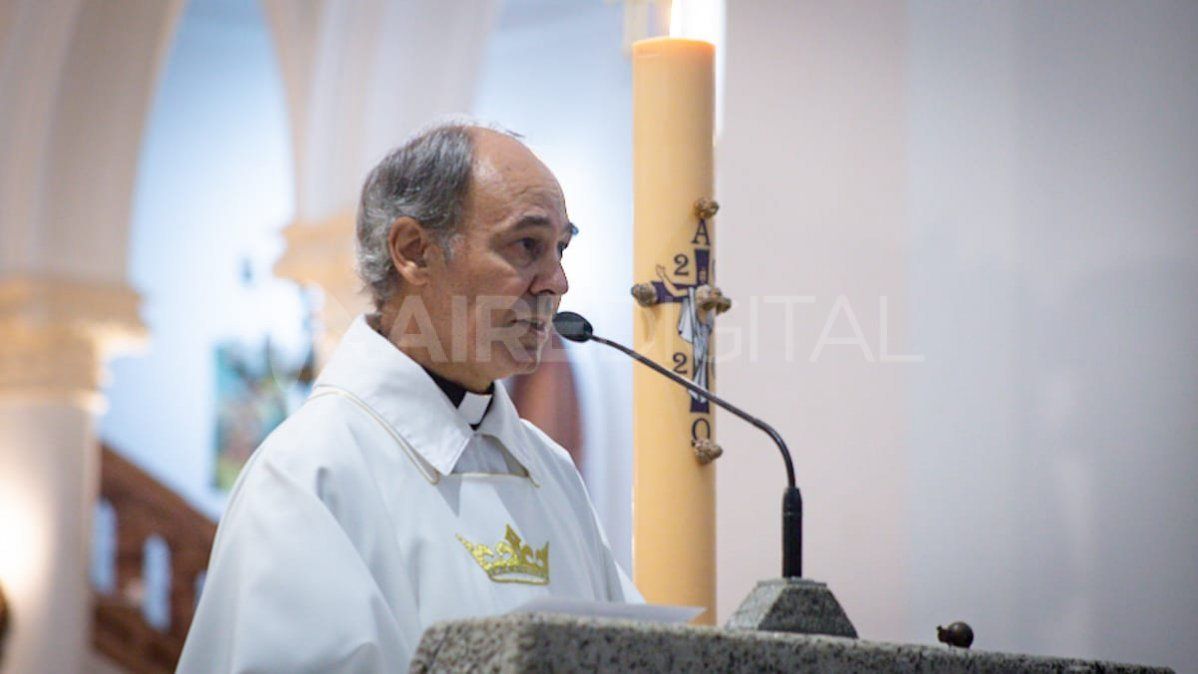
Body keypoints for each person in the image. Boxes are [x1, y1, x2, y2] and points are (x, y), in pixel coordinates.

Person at [177, 122, 642, 673]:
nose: (557, 281)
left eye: (560, 249)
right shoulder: (309, 474)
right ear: (414, 252)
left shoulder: (551, 471)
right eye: (527, 246)